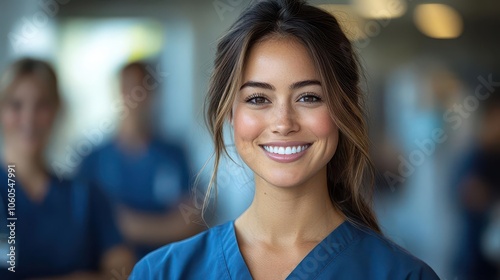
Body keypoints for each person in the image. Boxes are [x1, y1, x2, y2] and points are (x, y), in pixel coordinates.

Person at [130, 0, 440, 279]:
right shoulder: (161, 272)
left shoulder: (403, 275)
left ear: (344, 109)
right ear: (229, 114)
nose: (283, 123)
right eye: (258, 99)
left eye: (308, 97)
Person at [0, 58, 135, 279]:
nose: (29, 119)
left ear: (56, 111)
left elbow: (123, 269)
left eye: (42, 105)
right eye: (16, 105)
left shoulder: (84, 196)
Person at [76, 61, 204, 259]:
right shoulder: (93, 159)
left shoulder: (174, 154)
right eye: (127, 87)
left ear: (154, 95)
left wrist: (125, 224)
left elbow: (192, 222)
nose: (134, 96)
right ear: (117, 93)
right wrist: (165, 225)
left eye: (143, 88)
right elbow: (81, 225)